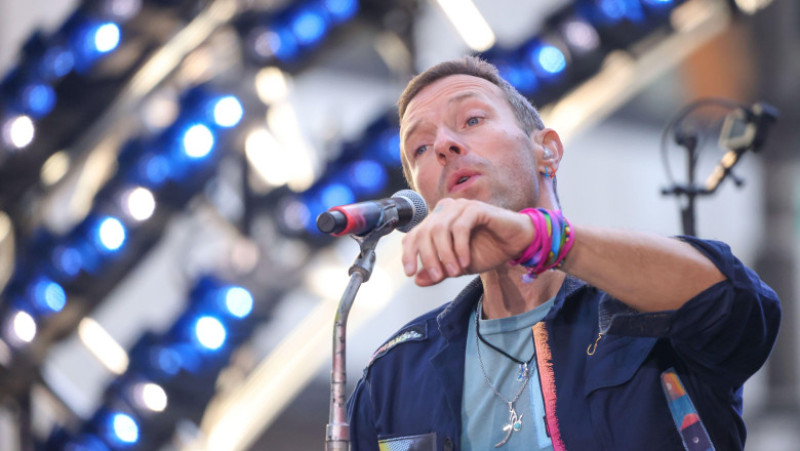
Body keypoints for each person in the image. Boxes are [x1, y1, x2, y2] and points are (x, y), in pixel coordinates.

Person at [346, 56, 781, 451]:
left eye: (472, 119)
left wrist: (541, 239)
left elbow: (739, 304)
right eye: (421, 148)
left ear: (547, 151)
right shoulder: (394, 375)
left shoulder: (645, 308)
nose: (443, 145)